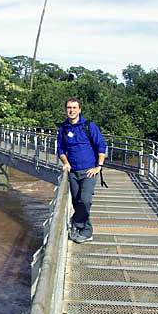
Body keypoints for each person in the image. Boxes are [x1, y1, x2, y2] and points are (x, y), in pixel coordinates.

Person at [56, 98, 108, 243]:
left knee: (85, 201)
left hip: (89, 171)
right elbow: (60, 149)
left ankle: (76, 223)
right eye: (68, 107)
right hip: (73, 171)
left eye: (74, 108)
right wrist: (65, 163)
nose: (71, 110)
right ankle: (86, 231)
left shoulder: (89, 126)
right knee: (77, 202)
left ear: (79, 110)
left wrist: (99, 166)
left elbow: (101, 146)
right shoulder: (64, 128)